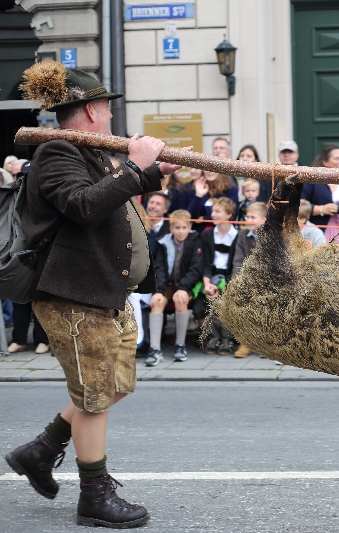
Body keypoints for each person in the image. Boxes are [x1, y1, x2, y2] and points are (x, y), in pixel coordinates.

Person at [6, 61, 184, 528]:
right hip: (72, 292)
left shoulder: (88, 149)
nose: (110, 116)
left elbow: (106, 191)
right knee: (95, 395)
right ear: (89, 110)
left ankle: (41, 450)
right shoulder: (56, 152)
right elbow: (85, 206)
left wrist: (152, 171)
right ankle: (94, 495)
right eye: (105, 107)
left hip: (102, 289)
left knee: (112, 385)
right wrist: (135, 166)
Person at [146, 210, 204, 366]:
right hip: (168, 284)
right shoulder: (163, 242)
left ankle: (180, 344)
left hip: (186, 284)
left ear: (189, 227)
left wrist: (184, 288)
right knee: (157, 302)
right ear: (171, 228)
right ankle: (155, 349)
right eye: (177, 228)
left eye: (184, 228)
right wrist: (158, 291)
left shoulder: (195, 242)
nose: (180, 231)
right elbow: (159, 269)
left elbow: (195, 269)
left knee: (180, 299)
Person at [199, 197, 239, 355]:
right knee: (206, 300)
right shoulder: (207, 235)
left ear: (229, 215)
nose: (213, 214)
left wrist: (222, 286)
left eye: (217, 211)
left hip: (229, 278)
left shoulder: (237, 236)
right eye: (212, 211)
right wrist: (208, 284)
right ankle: (214, 336)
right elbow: (205, 263)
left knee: (225, 301)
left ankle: (226, 338)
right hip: (211, 276)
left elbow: (236, 265)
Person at [301, 145, 339, 243]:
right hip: (319, 233)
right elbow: (300, 206)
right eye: (337, 158)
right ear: (325, 162)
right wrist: (322, 209)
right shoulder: (312, 181)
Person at [230, 202, 268, 358]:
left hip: (268, 280)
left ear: (264, 219)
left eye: (253, 217)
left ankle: (265, 344)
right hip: (248, 279)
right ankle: (246, 342)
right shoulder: (242, 235)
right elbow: (237, 261)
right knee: (242, 299)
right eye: (247, 216)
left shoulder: (272, 235)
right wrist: (236, 281)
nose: (249, 220)